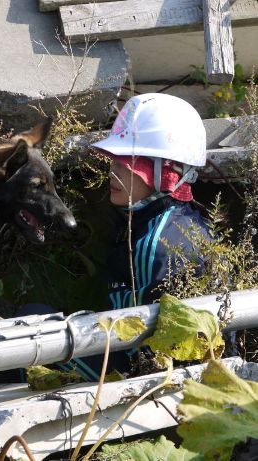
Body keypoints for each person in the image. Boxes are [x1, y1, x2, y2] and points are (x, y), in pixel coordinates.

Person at [64, 93, 213, 379]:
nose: (113, 172)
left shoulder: (154, 246)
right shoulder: (176, 219)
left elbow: (139, 351)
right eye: (113, 162)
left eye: (126, 165)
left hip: (139, 375)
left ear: (165, 174)